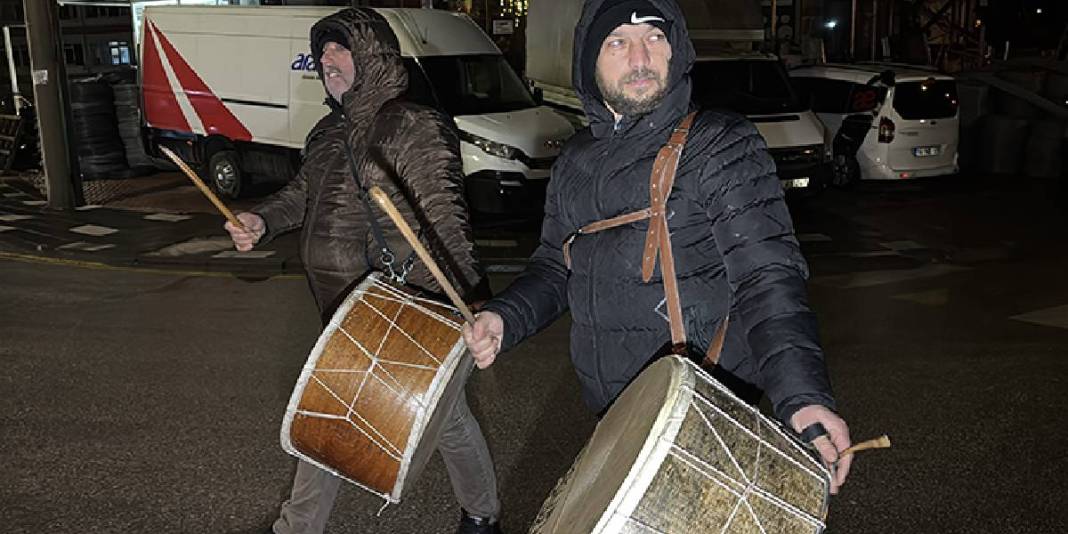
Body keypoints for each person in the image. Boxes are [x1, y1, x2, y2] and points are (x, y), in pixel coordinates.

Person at [462, 0, 853, 494]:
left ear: (677, 51)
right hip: (615, 413)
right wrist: (505, 317)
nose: (640, 58)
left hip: (706, 413)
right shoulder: (574, 162)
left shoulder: (718, 144)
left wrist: (802, 396)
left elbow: (766, 276)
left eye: (654, 39)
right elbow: (554, 266)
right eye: (617, 43)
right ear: (589, 61)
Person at [224, 8, 501, 534]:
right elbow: (302, 195)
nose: (327, 60)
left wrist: (470, 303)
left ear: (371, 55)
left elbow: (444, 216)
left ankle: (298, 528)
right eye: (323, 51)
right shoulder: (327, 132)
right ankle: (484, 514)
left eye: (340, 48)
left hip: (408, 307)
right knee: (450, 419)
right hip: (345, 308)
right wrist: (261, 219)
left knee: (333, 408)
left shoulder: (412, 123)